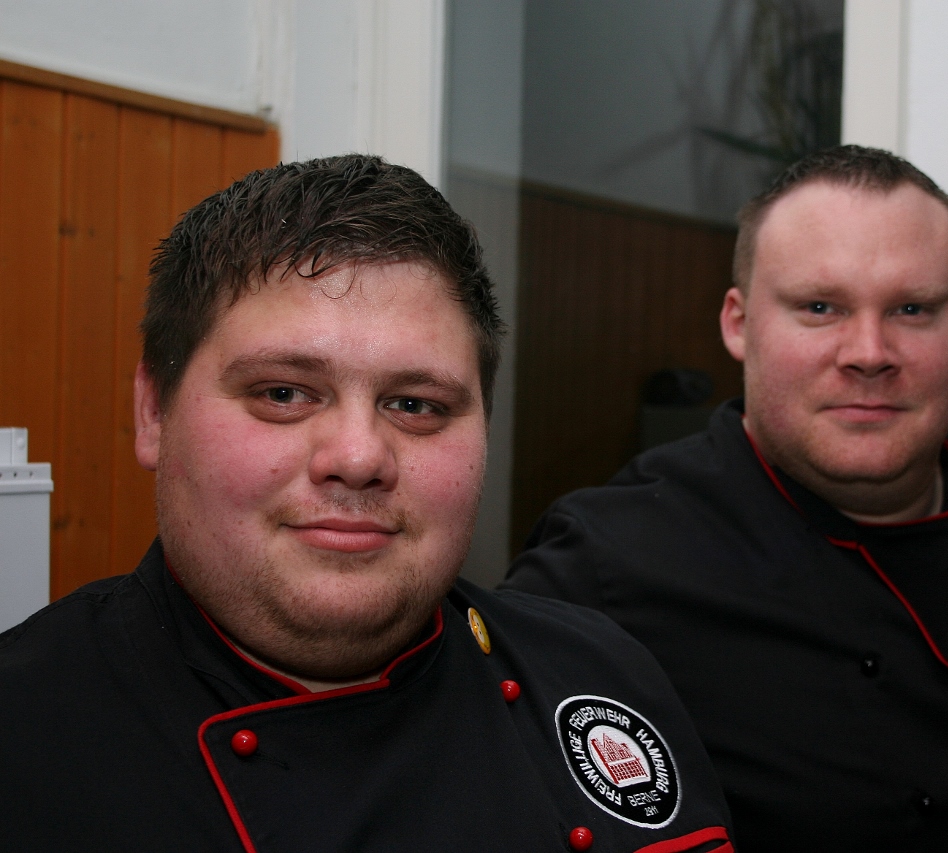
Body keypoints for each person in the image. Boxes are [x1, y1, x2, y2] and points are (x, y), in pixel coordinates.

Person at [0, 155, 735, 853]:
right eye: (283, 392)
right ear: (154, 412)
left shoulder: (604, 673)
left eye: (415, 404)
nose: (357, 458)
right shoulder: (26, 728)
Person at [505, 146, 948, 852]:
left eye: (913, 308)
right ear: (739, 324)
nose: (869, 351)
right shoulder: (609, 557)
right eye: (820, 307)